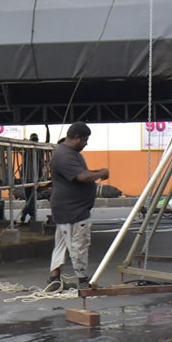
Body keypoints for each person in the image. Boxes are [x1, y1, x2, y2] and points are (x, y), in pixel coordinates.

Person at [49, 123, 109, 287]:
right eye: (85, 140)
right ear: (76, 138)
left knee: (61, 244)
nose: (86, 143)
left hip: (66, 208)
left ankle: (54, 278)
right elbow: (81, 176)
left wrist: (97, 172)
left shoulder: (68, 153)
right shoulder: (65, 156)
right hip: (73, 210)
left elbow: (83, 173)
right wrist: (101, 173)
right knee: (79, 245)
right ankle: (83, 280)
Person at [17, 133, 44, 225]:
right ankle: (29, 216)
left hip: (32, 178)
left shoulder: (38, 149)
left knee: (31, 198)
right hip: (29, 178)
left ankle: (25, 215)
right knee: (30, 198)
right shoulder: (29, 148)